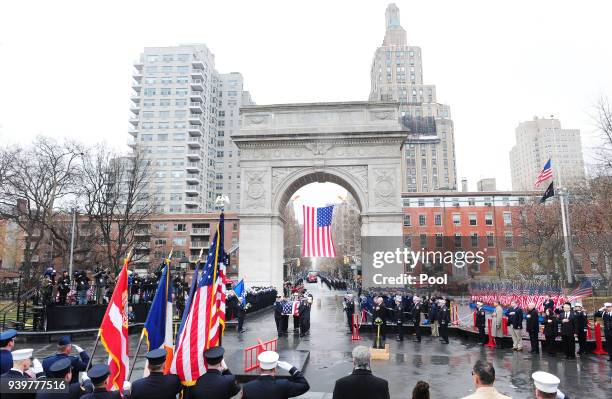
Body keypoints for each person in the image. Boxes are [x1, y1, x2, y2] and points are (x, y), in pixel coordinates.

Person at [241, 350, 310, 399]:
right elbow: (304, 386)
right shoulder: (283, 385)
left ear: (259, 369)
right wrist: (292, 369)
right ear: (274, 370)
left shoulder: (247, 387)